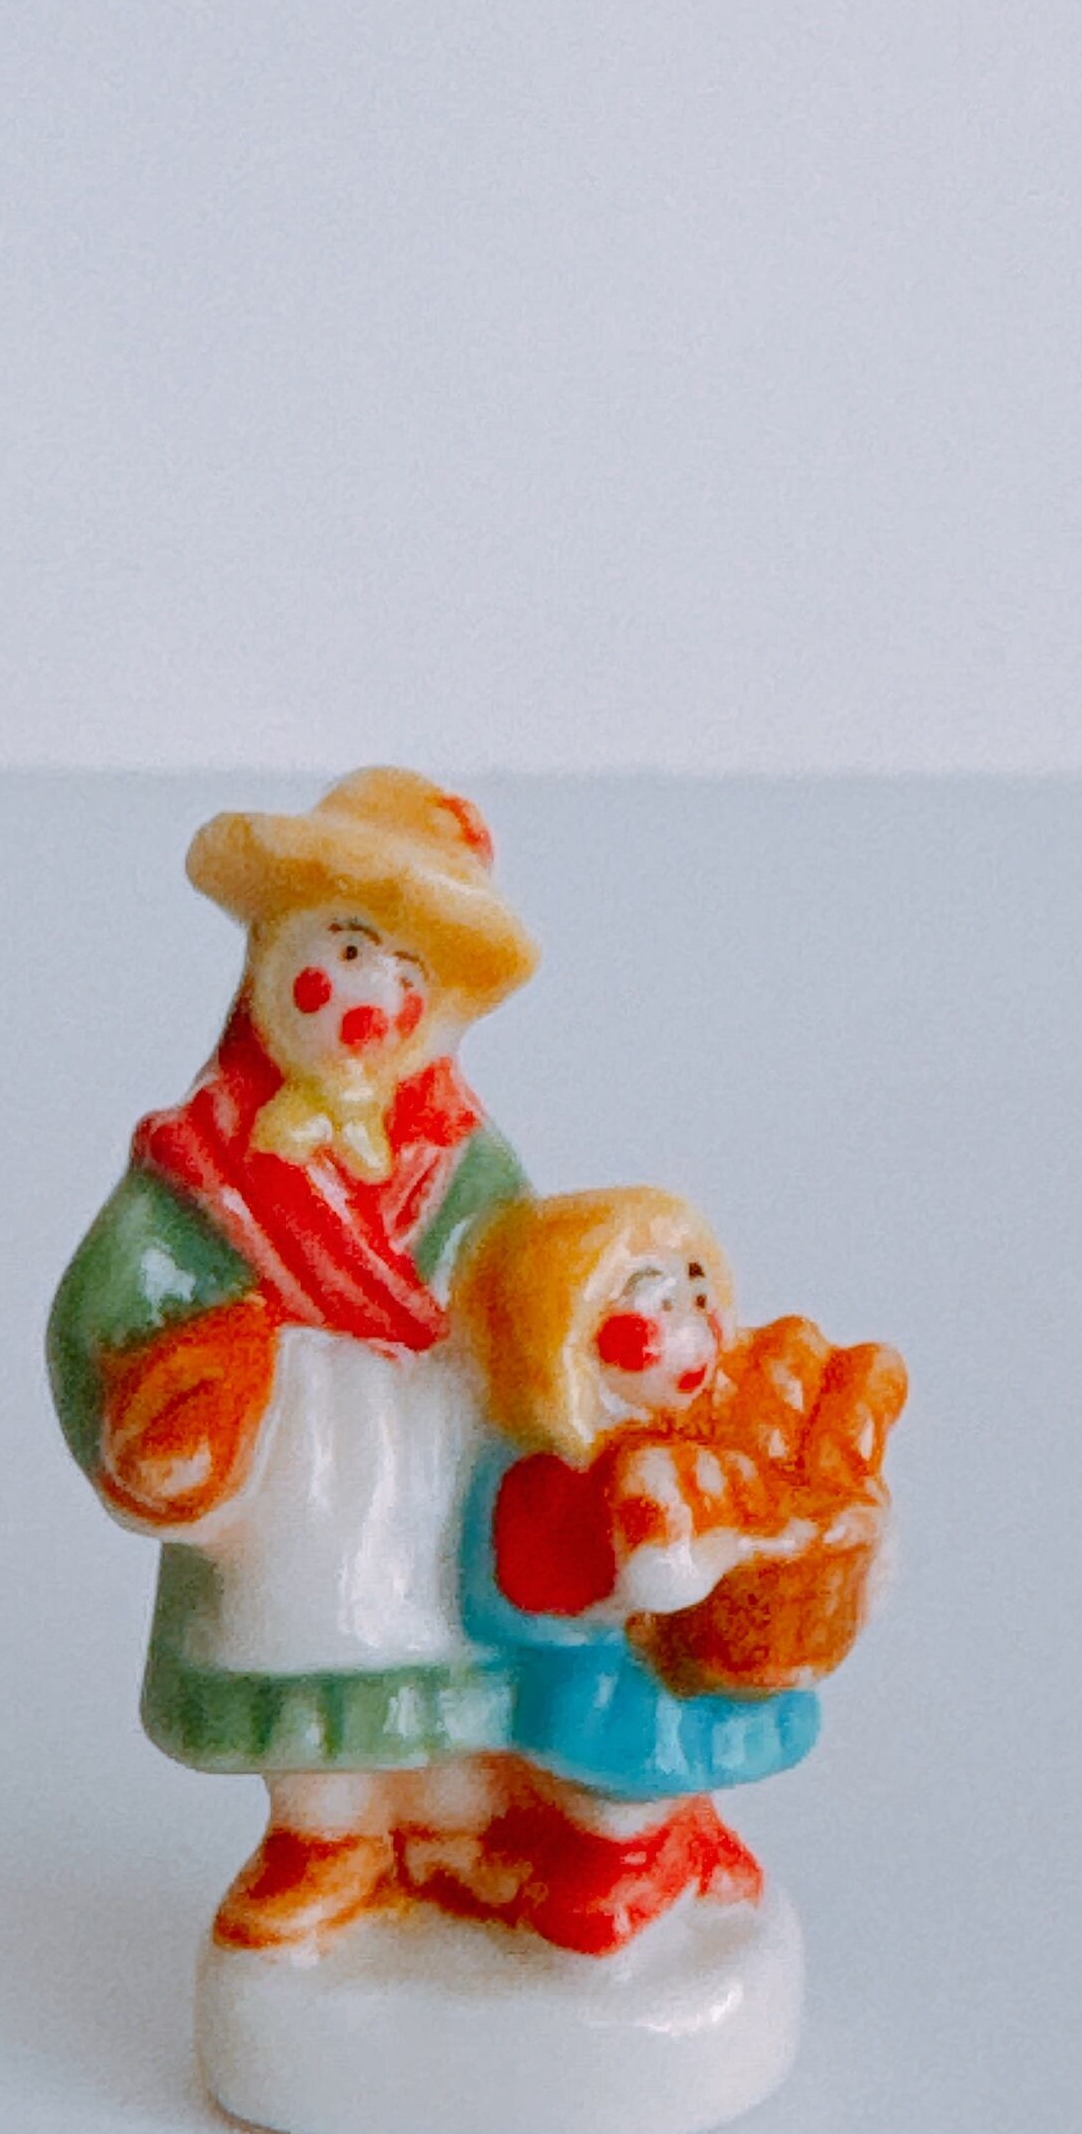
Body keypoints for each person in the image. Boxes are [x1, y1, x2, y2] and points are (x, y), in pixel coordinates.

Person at [46, 773, 536, 1947]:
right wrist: (149, 1421)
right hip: (292, 1476)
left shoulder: (469, 1168)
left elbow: (530, 1292)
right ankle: (324, 1838)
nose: (373, 997)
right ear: (274, 957)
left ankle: (449, 1826)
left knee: (446, 1640)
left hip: (431, 1462)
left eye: (409, 974)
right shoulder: (196, 1167)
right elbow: (100, 1313)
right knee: (303, 1652)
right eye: (349, 949)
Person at [446, 1187, 899, 1954]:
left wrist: (849, 1555)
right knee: (622, 1766)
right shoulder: (553, 1468)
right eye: (657, 1308)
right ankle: (607, 1861)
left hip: (694, 1661)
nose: (695, 1333)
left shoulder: (706, 1444)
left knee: (693, 1749)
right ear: (564, 1340)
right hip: (596, 1675)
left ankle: (683, 1835)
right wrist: (693, 1555)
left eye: (699, 1296)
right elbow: (557, 1587)